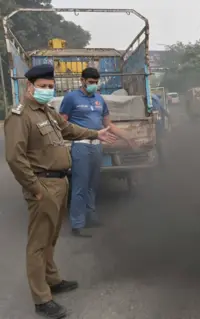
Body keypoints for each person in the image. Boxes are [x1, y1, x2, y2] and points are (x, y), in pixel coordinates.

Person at [4, 64, 116, 318]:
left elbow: (68, 130)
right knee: (38, 243)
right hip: (42, 185)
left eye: (51, 87)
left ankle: (52, 279)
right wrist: (34, 187)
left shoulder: (47, 111)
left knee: (51, 237)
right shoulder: (20, 116)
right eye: (43, 87)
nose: (47, 91)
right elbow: (14, 157)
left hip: (59, 182)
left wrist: (95, 133)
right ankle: (42, 299)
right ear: (29, 87)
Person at [59, 67, 134, 238]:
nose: (93, 85)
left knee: (93, 185)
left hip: (97, 146)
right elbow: (62, 122)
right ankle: (77, 224)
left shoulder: (99, 99)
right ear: (82, 80)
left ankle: (90, 217)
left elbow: (109, 124)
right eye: (90, 82)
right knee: (80, 185)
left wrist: (126, 136)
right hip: (81, 146)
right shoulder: (71, 98)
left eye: (95, 82)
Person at [151, 94, 170, 165]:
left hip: (153, 124)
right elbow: (163, 110)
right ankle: (160, 159)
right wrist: (169, 116)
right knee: (158, 143)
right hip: (157, 125)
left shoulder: (152, 100)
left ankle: (160, 158)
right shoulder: (156, 100)